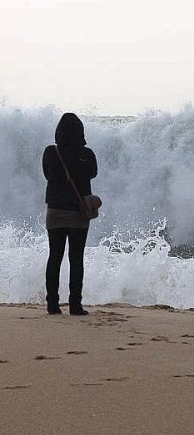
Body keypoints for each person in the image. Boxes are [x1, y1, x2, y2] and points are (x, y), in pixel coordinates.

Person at [42, 113, 99, 315]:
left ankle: (52, 304)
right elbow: (93, 173)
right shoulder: (87, 154)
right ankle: (75, 305)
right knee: (76, 258)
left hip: (55, 211)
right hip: (78, 213)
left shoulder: (51, 153)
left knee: (54, 257)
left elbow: (47, 174)